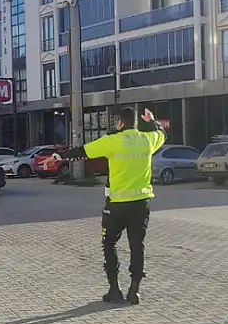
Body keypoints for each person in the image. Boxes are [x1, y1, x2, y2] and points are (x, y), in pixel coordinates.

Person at [49, 107, 165, 304]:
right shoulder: (147, 140)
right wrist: (152, 120)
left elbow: (82, 152)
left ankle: (115, 290)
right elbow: (162, 133)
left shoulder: (112, 141)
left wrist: (58, 157)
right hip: (141, 204)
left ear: (120, 123)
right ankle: (134, 290)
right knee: (137, 246)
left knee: (109, 243)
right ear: (135, 123)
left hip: (117, 205)